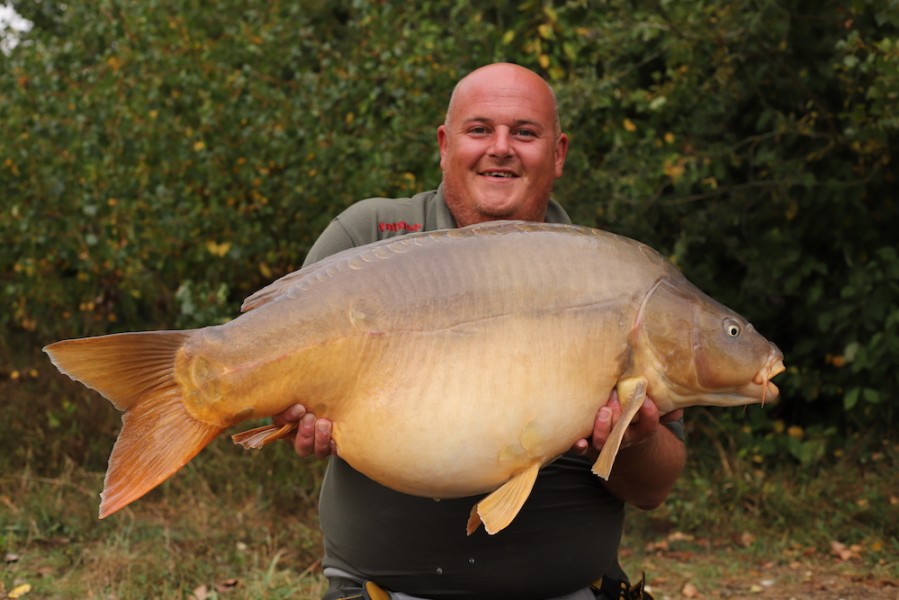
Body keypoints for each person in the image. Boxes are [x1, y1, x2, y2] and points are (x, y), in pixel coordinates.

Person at [274, 63, 687, 600]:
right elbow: (272, 381)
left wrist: (631, 442)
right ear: (445, 144)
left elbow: (655, 488)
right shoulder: (367, 237)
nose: (501, 147)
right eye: (479, 130)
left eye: (524, 132)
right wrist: (287, 417)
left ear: (557, 154)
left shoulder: (611, 274)